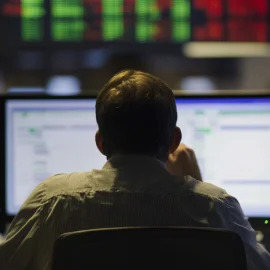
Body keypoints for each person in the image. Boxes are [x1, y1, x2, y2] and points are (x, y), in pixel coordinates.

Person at [0, 70, 269, 270]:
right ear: (174, 140)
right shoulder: (217, 207)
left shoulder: (52, 201)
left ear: (100, 142)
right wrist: (197, 187)